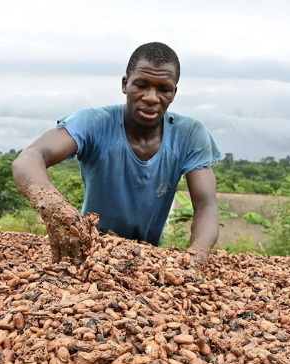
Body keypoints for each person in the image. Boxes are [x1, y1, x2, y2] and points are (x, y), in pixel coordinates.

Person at [12, 42, 221, 269]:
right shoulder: (94, 123)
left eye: (164, 89)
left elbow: (206, 206)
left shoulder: (190, 134)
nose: (151, 97)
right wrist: (55, 208)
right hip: (88, 256)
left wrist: (196, 259)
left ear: (174, 93)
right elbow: (29, 158)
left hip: (147, 261)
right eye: (141, 85)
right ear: (125, 84)